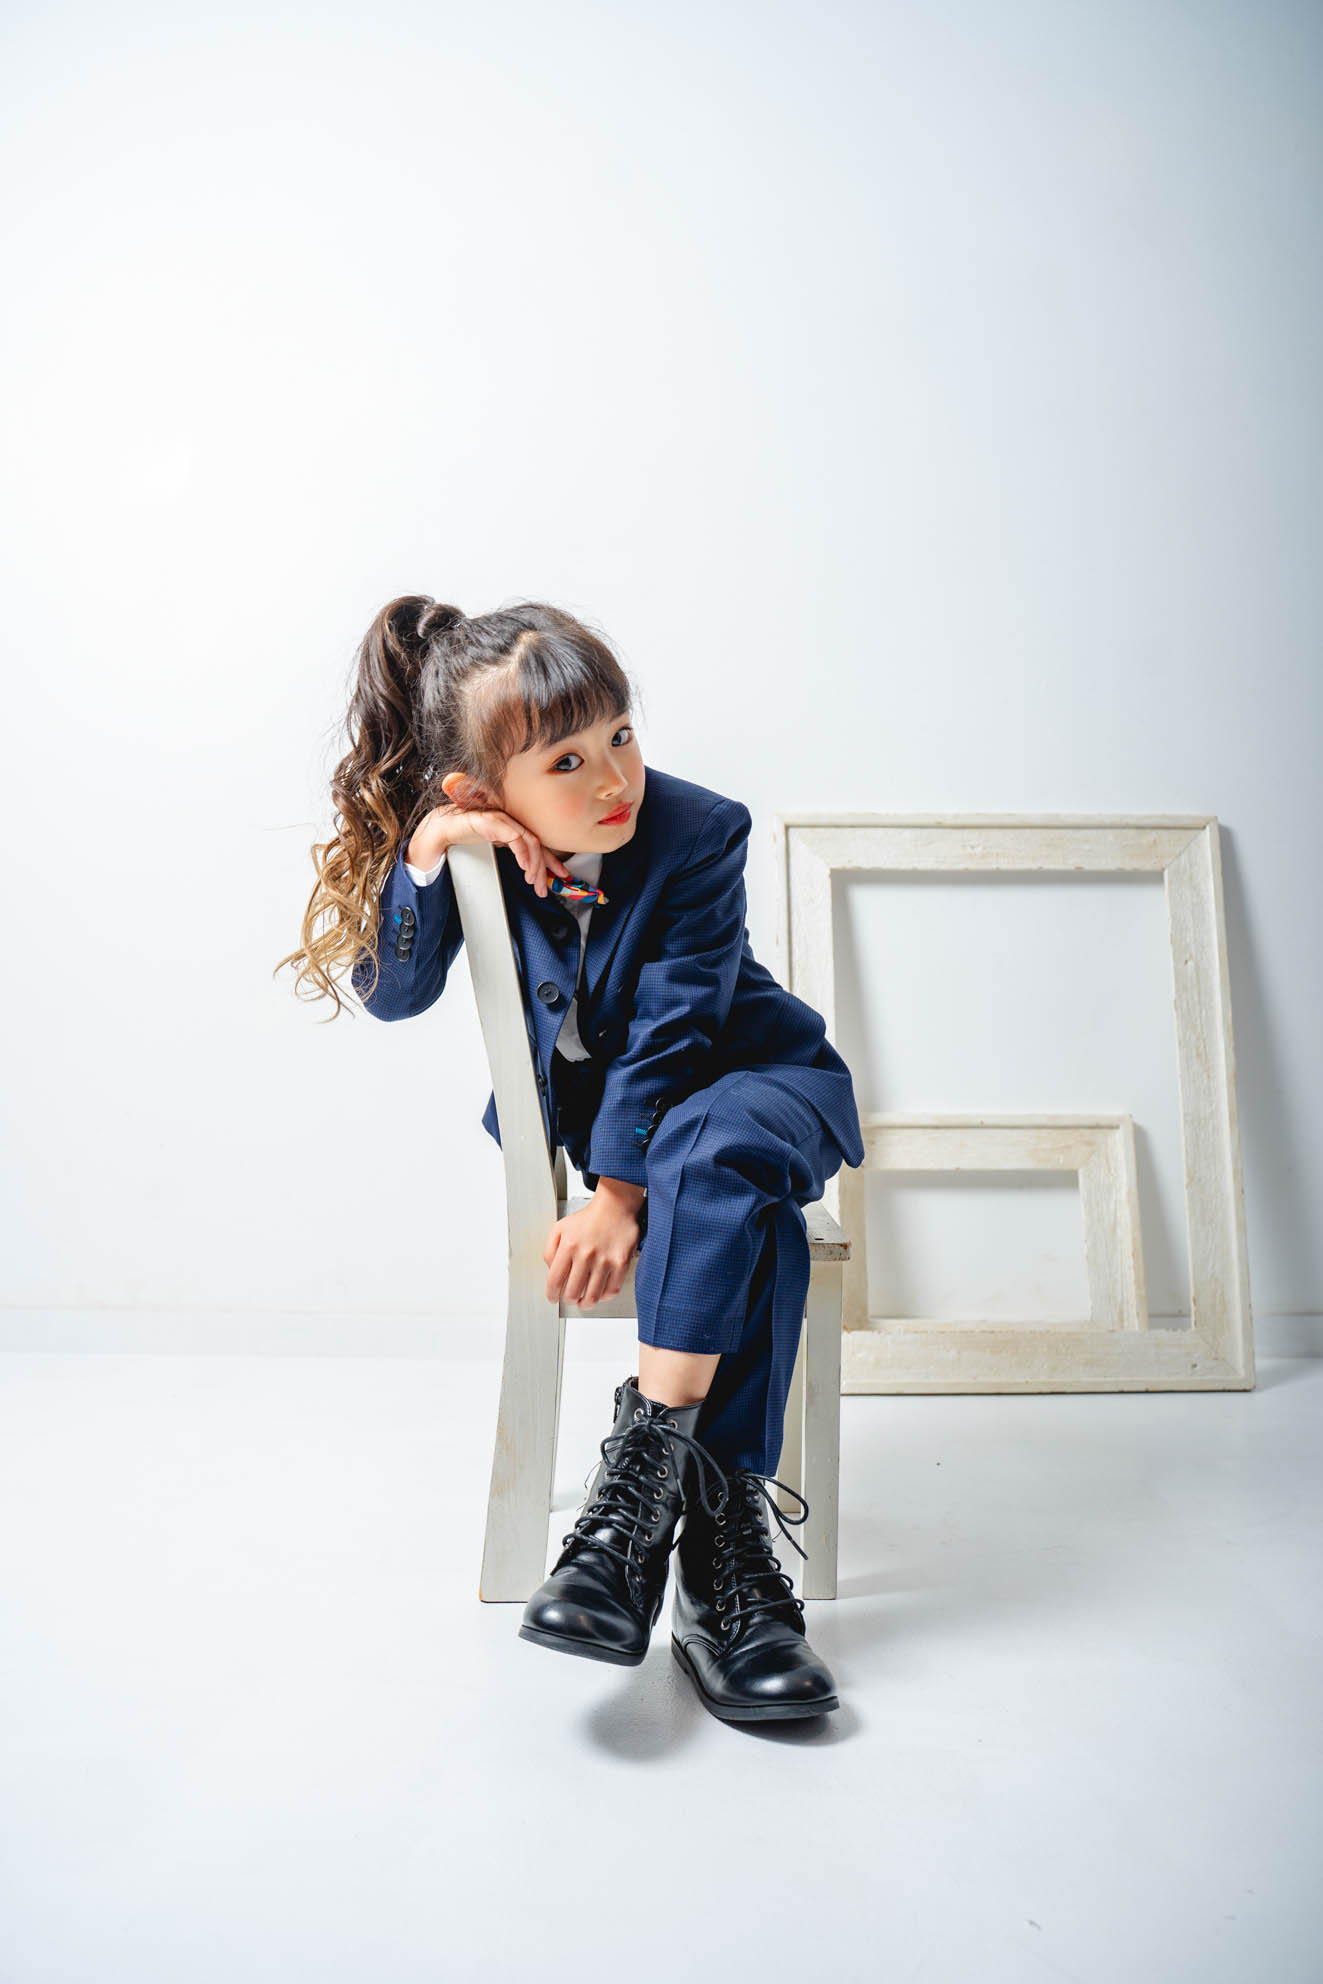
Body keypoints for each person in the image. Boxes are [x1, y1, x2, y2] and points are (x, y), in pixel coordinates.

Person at [277, 595, 865, 1723]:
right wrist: (428, 852)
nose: (613, 778)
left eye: (621, 735)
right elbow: (391, 996)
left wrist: (616, 1196)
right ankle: (725, 1565)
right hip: (663, 1145)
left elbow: (679, 1030)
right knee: (747, 1219)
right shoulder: (475, 847)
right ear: (482, 791)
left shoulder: (699, 830)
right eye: (567, 760)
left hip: (762, 1087)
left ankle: (627, 1506)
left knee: (714, 1145)